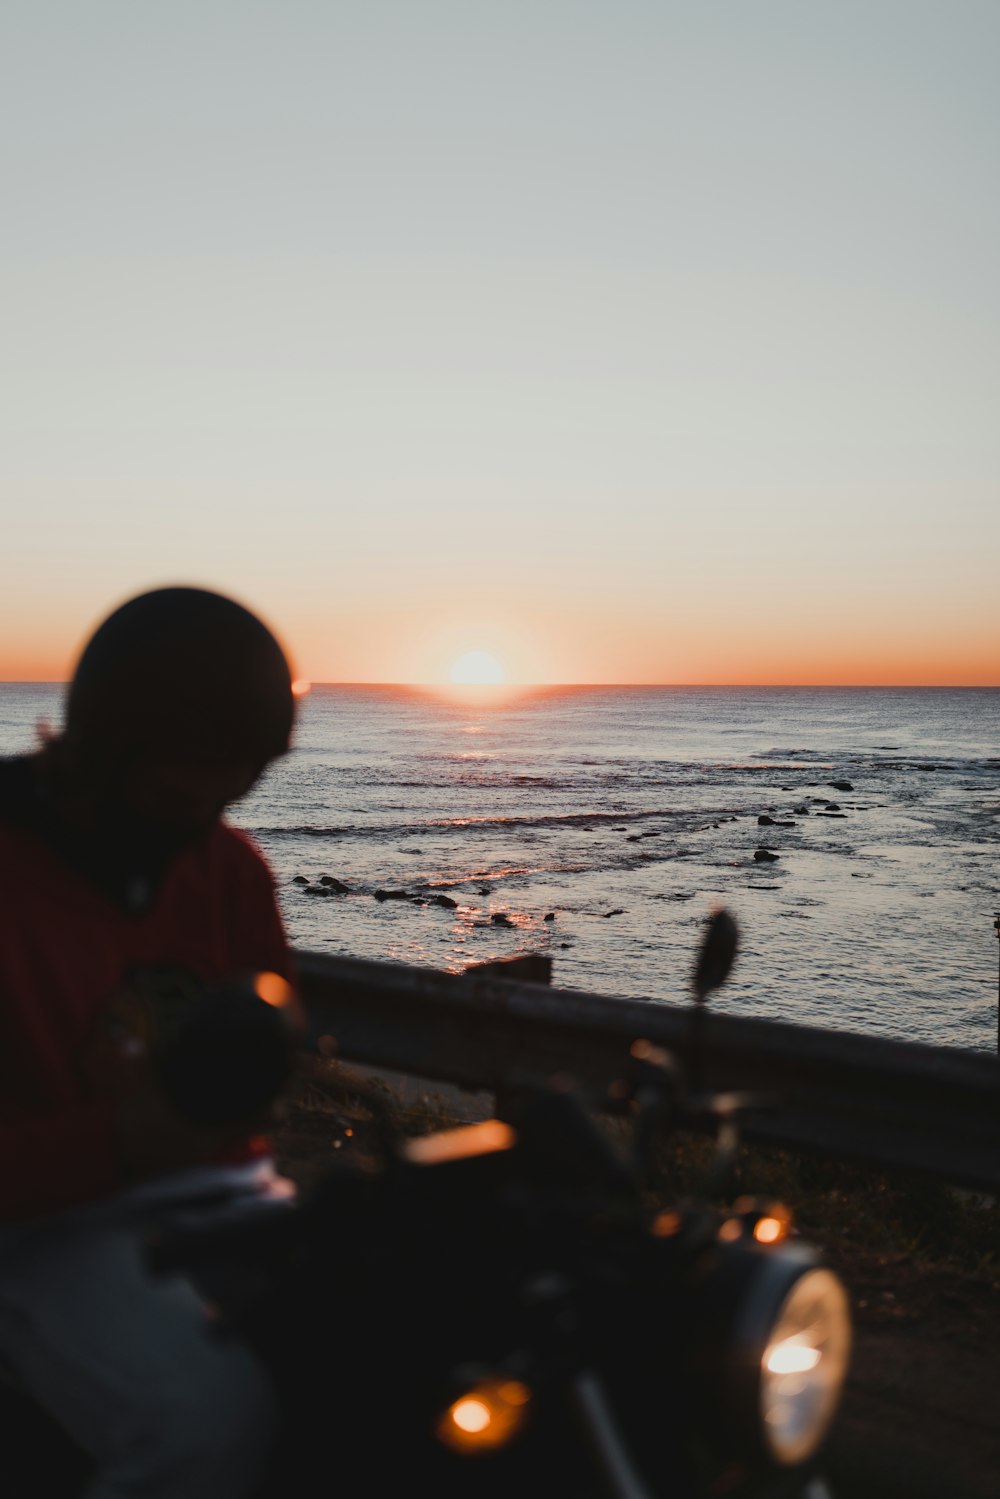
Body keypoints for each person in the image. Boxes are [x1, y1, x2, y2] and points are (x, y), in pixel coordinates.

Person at [0, 586, 298, 1498]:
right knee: (202, 1423)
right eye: (181, 791)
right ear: (102, 751)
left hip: (222, 1191)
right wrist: (121, 1139)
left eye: (237, 789)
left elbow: (263, 1033)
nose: (207, 819)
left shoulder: (226, 867)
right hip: (40, 1228)